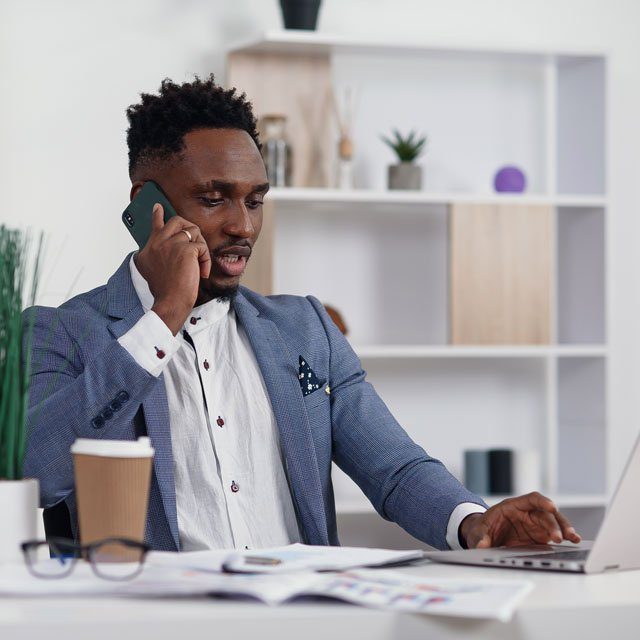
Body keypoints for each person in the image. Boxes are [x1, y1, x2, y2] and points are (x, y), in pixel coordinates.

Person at [24, 76, 581, 552]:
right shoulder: (60, 333)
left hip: (303, 617)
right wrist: (164, 316)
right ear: (148, 204)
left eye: (255, 199)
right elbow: (34, 475)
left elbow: (396, 468)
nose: (243, 226)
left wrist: (472, 522)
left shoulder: (305, 330)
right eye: (215, 198)